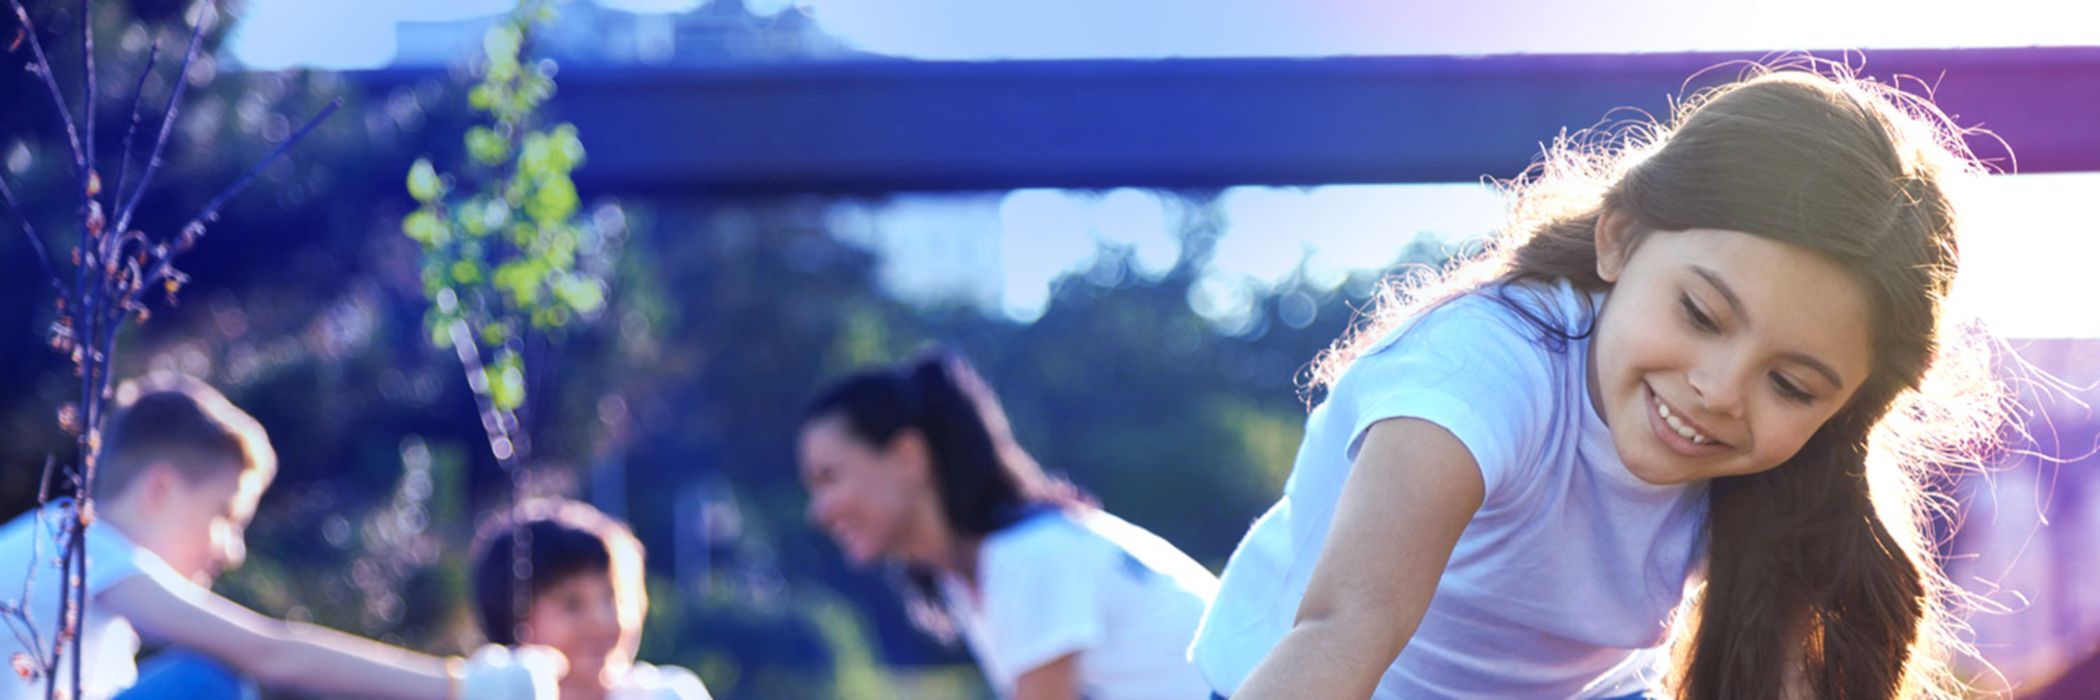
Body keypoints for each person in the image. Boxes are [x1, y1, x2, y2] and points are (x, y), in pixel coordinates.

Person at [1188, 66, 2009, 699]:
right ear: (1619, 239)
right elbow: (1342, 627)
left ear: (1848, 406)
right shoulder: (1477, 371)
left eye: (1792, 385)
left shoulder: (1795, 477)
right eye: (1700, 313)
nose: (1719, 390)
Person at [0, 373, 563, 700]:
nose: (232, 549)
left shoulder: (65, 550)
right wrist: (466, 687)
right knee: (208, 680)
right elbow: (270, 653)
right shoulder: (81, 545)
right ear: (160, 488)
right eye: (225, 515)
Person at [798, 351, 1219, 700]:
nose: (817, 512)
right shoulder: (987, 570)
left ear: (908, 457)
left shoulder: (1026, 558)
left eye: (829, 478)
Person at [469, 498, 711, 700]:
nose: (602, 619)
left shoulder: (664, 694)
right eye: (572, 604)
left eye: (613, 598)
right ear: (512, 617)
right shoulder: (488, 686)